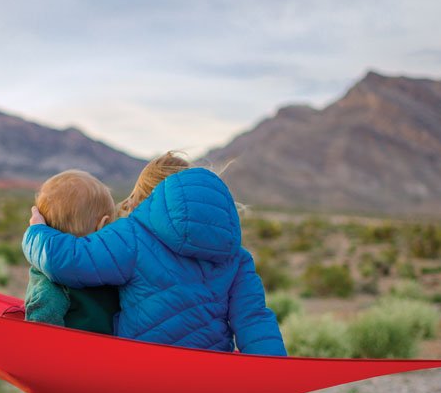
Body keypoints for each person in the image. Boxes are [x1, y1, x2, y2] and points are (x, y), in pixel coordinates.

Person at [24, 152, 286, 355]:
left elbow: (70, 261)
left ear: (150, 197)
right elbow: (252, 317)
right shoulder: (236, 256)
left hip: (143, 363)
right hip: (208, 369)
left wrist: (37, 232)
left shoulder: (133, 236)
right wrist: (272, 372)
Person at [23, 170, 120, 335]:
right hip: (79, 358)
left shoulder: (50, 277)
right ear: (103, 225)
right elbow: (39, 336)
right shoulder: (53, 284)